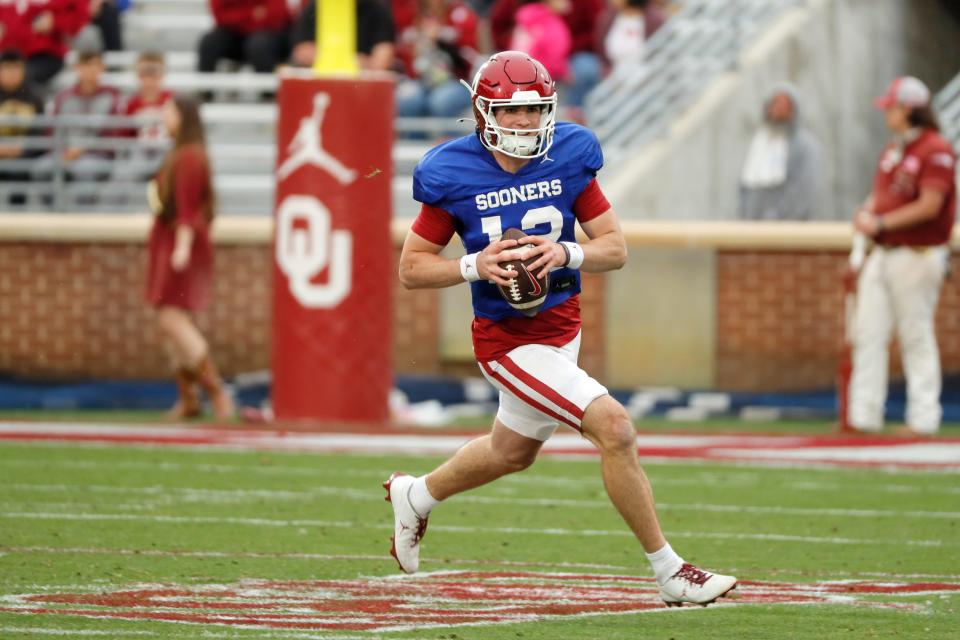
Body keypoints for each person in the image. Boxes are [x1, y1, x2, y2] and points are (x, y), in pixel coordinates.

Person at [386, 50, 737, 607]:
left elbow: (615, 249)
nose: (526, 123)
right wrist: (474, 265)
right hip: (507, 342)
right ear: (483, 114)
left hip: (562, 330)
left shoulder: (570, 154)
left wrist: (566, 252)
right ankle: (670, 571)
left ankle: (416, 494)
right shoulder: (451, 172)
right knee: (615, 428)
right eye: (513, 112)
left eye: (536, 110)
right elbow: (411, 268)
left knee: (511, 452)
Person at [849, 76, 956, 436]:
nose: (887, 114)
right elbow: (880, 195)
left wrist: (879, 222)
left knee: (915, 334)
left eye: (892, 107)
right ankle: (863, 416)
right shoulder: (894, 149)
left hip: (917, 252)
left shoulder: (935, 149)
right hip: (883, 250)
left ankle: (923, 418)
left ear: (910, 109)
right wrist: (867, 215)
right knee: (868, 332)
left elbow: (930, 205)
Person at [146, 93, 235, 421]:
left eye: (170, 111)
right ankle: (189, 397)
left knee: (172, 318)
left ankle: (215, 391)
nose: (164, 116)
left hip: (180, 242)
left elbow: (187, 207)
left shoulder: (190, 157)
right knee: (170, 320)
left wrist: (181, 247)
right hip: (171, 239)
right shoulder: (182, 154)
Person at [32, 48, 121, 208]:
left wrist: (82, 149)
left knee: (85, 170)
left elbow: (111, 134)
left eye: (95, 65)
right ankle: (52, 212)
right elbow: (53, 131)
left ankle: (83, 217)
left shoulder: (112, 97)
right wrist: (64, 150)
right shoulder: (64, 97)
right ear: (77, 68)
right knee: (41, 167)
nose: (91, 70)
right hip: (64, 151)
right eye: (86, 65)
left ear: (102, 68)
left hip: (96, 154)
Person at [490, 0, 602, 112]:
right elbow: (554, 58)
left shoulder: (525, 18)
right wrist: (565, 72)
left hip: (518, 73)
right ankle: (573, 114)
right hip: (543, 78)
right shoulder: (553, 26)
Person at [739, 84, 823, 221]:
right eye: (775, 104)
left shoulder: (806, 147)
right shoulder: (758, 142)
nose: (779, 111)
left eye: (786, 106)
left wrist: (775, 219)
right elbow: (746, 185)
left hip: (789, 231)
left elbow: (803, 192)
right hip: (752, 228)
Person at [394, 0, 479, 120]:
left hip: (455, 81)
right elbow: (399, 57)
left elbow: (470, 60)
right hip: (417, 80)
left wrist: (441, 40)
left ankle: (446, 139)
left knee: (442, 101)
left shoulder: (461, 14)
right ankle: (415, 139)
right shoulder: (409, 13)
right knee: (407, 99)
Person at [108, 51, 173, 206]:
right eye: (144, 73)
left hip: (166, 152)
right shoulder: (131, 104)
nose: (149, 80)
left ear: (162, 75)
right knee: (122, 174)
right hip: (139, 153)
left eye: (154, 73)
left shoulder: (172, 100)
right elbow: (123, 136)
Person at [0, 0, 91, 87]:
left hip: (45, 55)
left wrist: (55, 21)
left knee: (17, 76)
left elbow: (79, 18)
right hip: (8, 54)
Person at [289, 0, 395, 72]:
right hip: (321, 82)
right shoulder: (316, 7)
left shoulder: (377, 10)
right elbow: (302, 53)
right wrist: (352, 61)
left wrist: (328, 59)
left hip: (364, 88)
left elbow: (381, 62)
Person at [197, 0, 293, 75]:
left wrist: (237, 17)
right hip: (235, 36)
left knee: (258, 44)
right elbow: (220, 17)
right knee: (209, 42)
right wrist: (252, 14)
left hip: (269, 38)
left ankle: (269, 94)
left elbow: (274, 17)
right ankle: (204, 93)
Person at [0, 49, 45, 206]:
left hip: (26, 153)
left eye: (16, 68)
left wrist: (23, 148)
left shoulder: (34, 96)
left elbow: (41, 131)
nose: (11, 73)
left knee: (20, 168)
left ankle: (18, 215)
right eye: (7, 68)